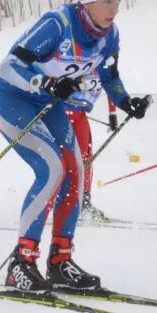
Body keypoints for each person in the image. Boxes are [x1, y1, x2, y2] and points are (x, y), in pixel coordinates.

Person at [0, 0, 150, 294]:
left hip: (49, 104)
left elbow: (109, 75)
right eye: (108, 2)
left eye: (118, 2)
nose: (114, 10)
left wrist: (126, 101)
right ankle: (21, 263)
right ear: (87, 0)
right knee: (51, 168)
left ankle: (60, 260)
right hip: (12, 99)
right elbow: (8, 66)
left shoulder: (109, 35)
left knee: (76, 172)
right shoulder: (57, 24)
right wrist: (45, 82)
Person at [66, 74, 117, 222]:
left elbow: (111, 83)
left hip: (80, 115)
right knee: (61, 159)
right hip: (61, 112)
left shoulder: (105, 60)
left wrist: (112, 113)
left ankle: (84, 203)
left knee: (85, 159)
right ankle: (61, 202)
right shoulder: (80, 55)